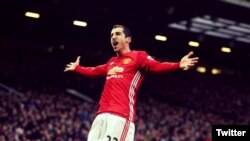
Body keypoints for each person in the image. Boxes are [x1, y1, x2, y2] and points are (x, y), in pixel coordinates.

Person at [64, 24, 199, 141]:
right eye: (111, 35)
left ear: (128, 39)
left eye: (118, 34)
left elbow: (156, 66)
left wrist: (178, 64)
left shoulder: (138, 56)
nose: (113, 37)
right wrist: (77, 68)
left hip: (120, 117)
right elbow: (94, 70)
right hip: (101, 115)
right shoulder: (111, 62)